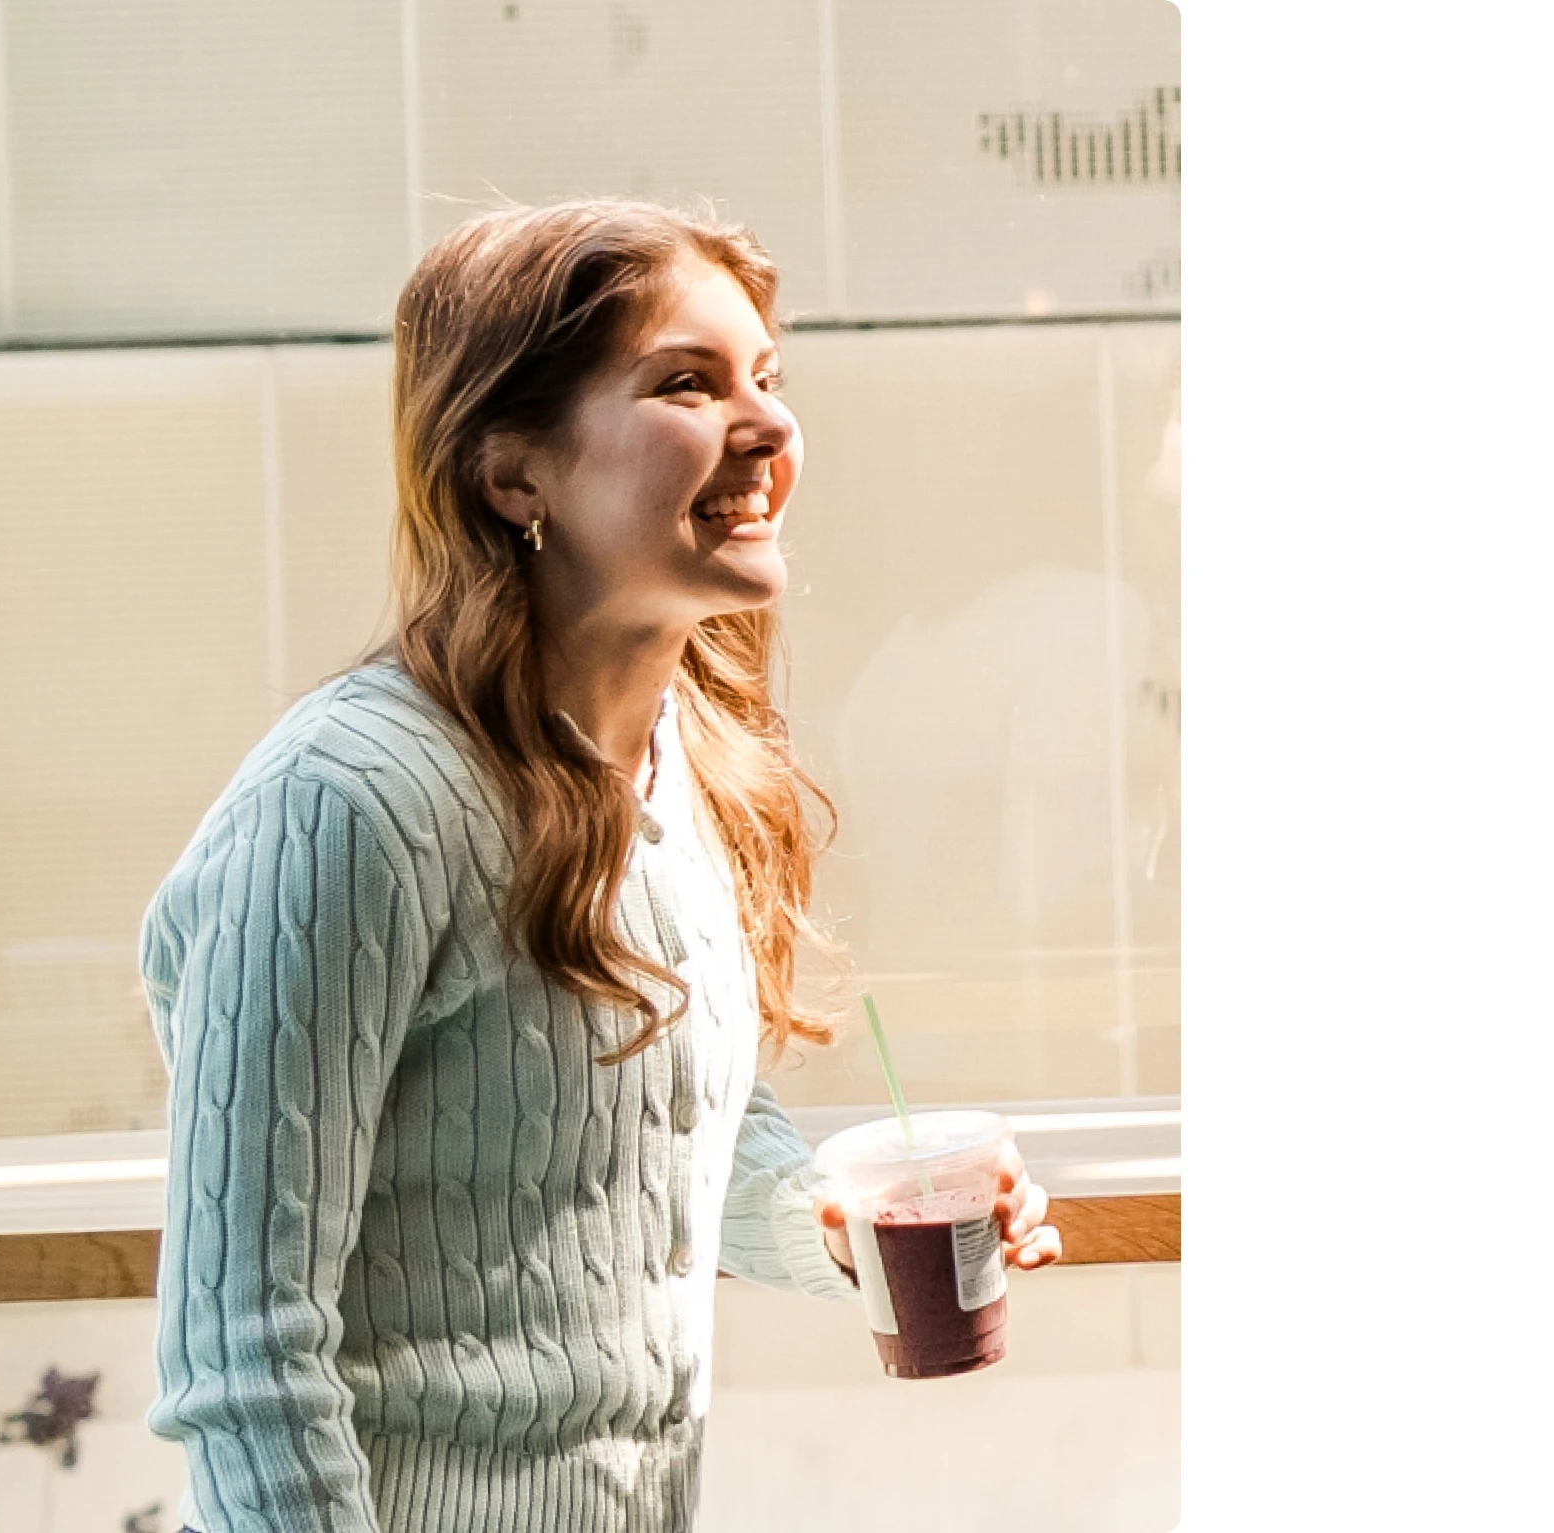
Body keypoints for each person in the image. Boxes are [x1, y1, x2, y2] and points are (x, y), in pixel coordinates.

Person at [139, 200, 1062, 1533]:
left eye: (767, 378)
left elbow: (660, 1138)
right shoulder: (351, 800)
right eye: (687, 384)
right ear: (513, 477)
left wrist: (843, 1225)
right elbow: (243, 1367)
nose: (768, 425)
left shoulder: (687, 759)